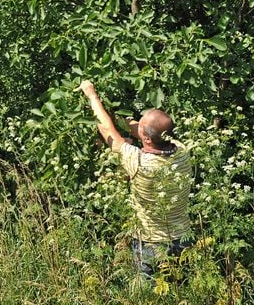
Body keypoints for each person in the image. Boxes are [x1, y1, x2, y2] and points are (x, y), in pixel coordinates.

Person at [78, 79, 193, 278]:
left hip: (150, 243)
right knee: (181, 290)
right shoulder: (183, 152)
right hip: (183, 238)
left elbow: (107, 132)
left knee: (148, 297)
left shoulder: (140, 162)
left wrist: (92, 96)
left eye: (141, 127)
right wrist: (120, 118)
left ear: (147, 139)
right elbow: (147, 133)